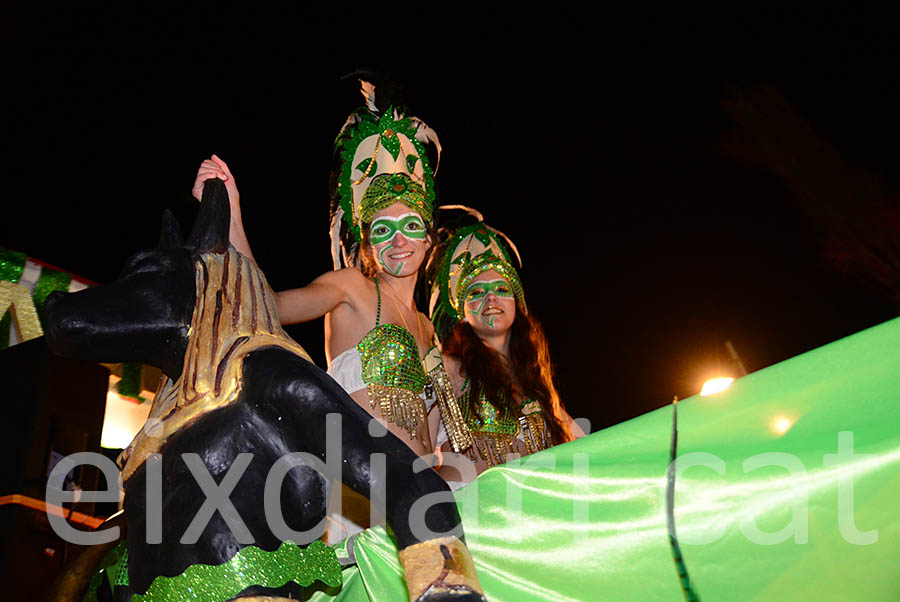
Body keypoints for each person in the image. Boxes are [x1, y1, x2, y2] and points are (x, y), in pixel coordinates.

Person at [192, 79, 467, 461]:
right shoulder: (351, 288)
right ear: (367, 241)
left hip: (421, 490)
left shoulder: (426, 326)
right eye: (383, 230)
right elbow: (268, 304)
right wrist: (232, 212)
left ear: (428, 239)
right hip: (363, 493)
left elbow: (438, 430)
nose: (399, 241)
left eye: (411, 226)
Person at [428, 219, 585, 483]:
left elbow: (584, 446)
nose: (490, 299)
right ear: (462, 314)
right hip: (468, 510)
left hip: (530, 510)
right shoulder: (448, 367)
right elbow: (417, 442)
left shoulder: (537, 382)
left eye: (501, 290)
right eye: (477, 293)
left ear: (518, 306)